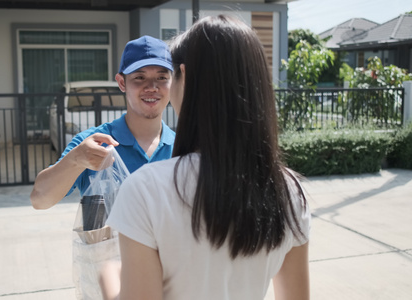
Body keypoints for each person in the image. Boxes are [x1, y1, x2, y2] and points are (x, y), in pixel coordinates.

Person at [101, 15, 311, 300]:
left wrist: (109, 276)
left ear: (184, 76)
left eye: (168, 75)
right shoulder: (287, 190)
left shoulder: (146, 190)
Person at [30, 36, 175, 209]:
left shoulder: (184, 146)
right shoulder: (92, 144)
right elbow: (39, 199)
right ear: (122, 83)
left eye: (161, 78)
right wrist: (76, 160)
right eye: (139, 77)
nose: (151, 87)